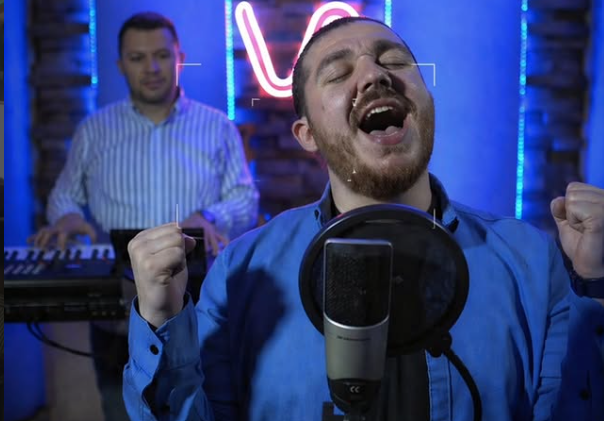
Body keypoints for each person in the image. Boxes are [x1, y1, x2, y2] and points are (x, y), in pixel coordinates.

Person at [123, 17, 604, 421]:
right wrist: (161, 320)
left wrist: (597, 283)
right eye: (337, 73)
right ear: (307, 134)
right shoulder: (243, 271)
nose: (374, 74)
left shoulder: (530, 261)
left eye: (394, 61)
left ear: (427, 103)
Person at [30, 12, 259, 421]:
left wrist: (208, 214)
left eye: (161, 55)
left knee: (202, 407)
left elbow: (246, 199)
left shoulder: (217, 127)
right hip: (117, 309)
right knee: (122, 408)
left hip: (201, 306)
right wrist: (65, 217)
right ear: (121, 64)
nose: (151, 68)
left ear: (179, 57)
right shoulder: (94, 131)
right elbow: (65, 195)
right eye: (137, 58)